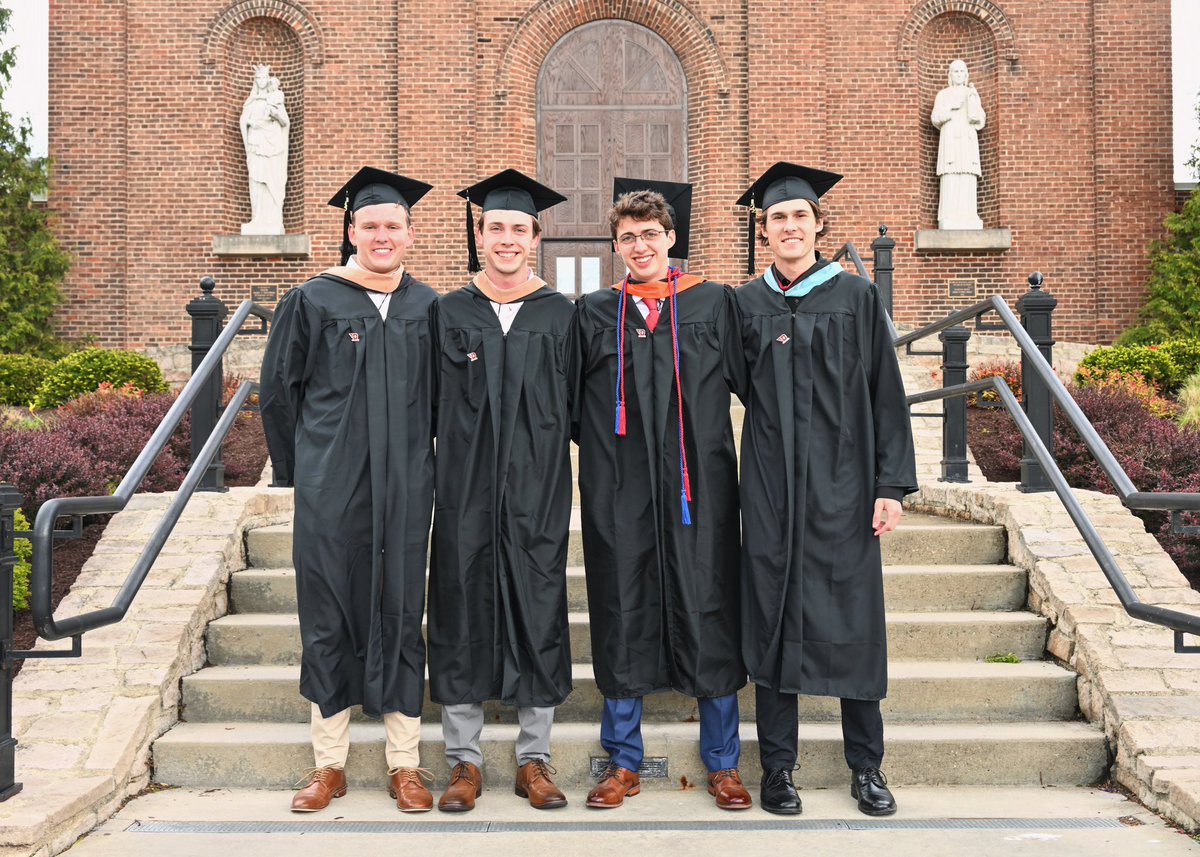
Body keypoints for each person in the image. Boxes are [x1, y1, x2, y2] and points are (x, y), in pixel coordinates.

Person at [732, 162, 917, 817]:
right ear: (763, 230)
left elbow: (885, 396)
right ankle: (778, 770)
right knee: (773, 622)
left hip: (843, 489)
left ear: (818, 226)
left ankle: (867, 768)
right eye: (776, 218)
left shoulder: (857, 297)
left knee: (853, 626)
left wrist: (890, 484)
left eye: (799, 217)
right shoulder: (745, 304)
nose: (788, 227)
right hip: (770, 491)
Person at [260, 166, 439, 814]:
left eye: (393, 225)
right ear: (350, 230)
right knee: (329, 609)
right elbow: (279, 393)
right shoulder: (314, 299)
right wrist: (297, 472)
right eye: (371, 225)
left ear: (411, 234)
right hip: (331, 486)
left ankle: (404, 763)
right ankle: (328, 763)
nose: (382, 235)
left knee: (399, 612)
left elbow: (445, 401)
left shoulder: (429, 307)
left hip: (407, 486)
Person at [573, 179, 750, 811]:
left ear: (671, 239)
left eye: (651, 234)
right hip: (619, 489)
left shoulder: (713, 305)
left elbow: (753, 389)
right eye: (629, 237)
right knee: (621, 606)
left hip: (696, 486)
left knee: (709, 603)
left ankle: (723, 762)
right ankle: (622, 760)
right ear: (615, 245)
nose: (640, 245)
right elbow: (572, 410)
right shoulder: (595, 312)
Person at [427, 169, 575, 813]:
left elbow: (580, 407)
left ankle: (533, 760)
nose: (507, 239)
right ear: (479, 234)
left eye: (519, 228)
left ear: (536, 237)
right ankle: (464, 762)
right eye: (496, 228)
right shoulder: (449, 311)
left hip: (539, 489)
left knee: (539, 608)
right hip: (464, 488)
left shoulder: (561, 314)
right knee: (461, 606)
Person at [931, 59, 986, 230]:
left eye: (962, 71)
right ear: (950, 75)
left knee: (967, 173)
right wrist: (950, 109)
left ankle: (969, 214)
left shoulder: (971, 93)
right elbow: (935, 118)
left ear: (966, 74)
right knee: (951, 174)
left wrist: (974, 103)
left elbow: (979, 120)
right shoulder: (943, 95)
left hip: (967, 139)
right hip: (949, 139)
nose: (959, 75)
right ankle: (949, 214)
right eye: (956, 71)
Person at [239, 64, 289, 235]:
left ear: (268, 80)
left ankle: (273, 218)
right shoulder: (252, 102)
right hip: (256, 145)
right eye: (258, 78)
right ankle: (258, 217)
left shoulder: (275, 99)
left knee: (272, 178)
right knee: (256, 180)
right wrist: (249, 123)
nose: (261, 81)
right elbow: (244, 121)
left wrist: (275, 115)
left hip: (273, 146)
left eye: (263, 78)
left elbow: (284, 121)